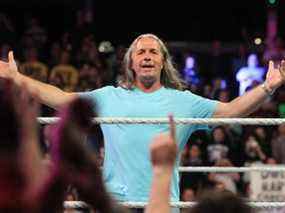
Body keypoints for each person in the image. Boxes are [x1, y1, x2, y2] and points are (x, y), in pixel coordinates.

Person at [1, 33, 285, 207]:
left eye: (153, 52)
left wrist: (268, 87)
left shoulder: (184, 100)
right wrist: (16, 78)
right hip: (116, 202)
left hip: (162, 201)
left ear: (162, 62)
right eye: (141, 52)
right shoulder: (110, 96)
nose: (147, 56)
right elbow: (60, 97)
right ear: (131, 63)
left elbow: (232, 111)